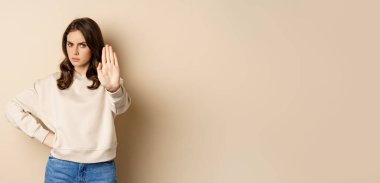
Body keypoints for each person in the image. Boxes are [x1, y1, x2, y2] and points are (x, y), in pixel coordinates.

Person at [4, 17, 131, 182]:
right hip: (60, 169)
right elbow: (12, 107)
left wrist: (113, 88)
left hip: (101, 170)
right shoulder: (50, 84)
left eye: (82, 45)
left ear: (93, 46)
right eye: (70, 44)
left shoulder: (108, 80)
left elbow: (121, 107)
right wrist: (44, 136)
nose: (74, 52)